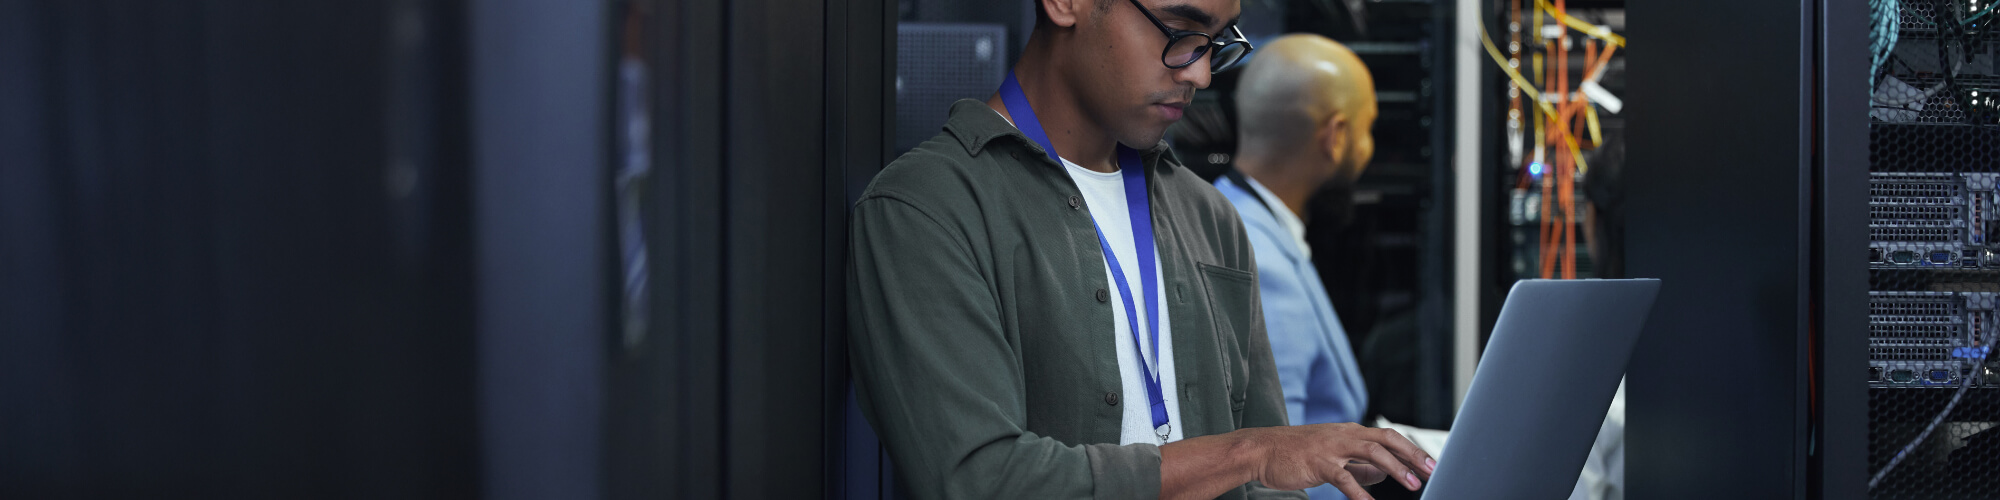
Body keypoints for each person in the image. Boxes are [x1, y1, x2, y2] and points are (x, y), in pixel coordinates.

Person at [845, 0, 1438, 498]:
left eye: (1217, 40)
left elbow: (1269, 483)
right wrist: (1250, 452)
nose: (1202, 74)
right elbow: (981, 481)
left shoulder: (1211, 217)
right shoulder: (926, 209)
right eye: (1181, 31)